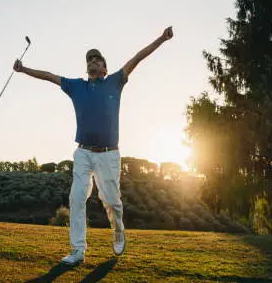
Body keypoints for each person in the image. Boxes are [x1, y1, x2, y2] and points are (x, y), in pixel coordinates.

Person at [13, 26, 174, 265]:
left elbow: (139, 57)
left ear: (104, 67)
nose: (91, 62)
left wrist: (162, 38)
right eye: (89, 59)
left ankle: (118, 231)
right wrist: (23, 69)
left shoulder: (116, 81)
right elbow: (49, 75)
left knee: (112, 201)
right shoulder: (76, 86)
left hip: (109, 156)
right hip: (83, 153)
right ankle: (78, 250)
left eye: (96, 59)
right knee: (77, 198)